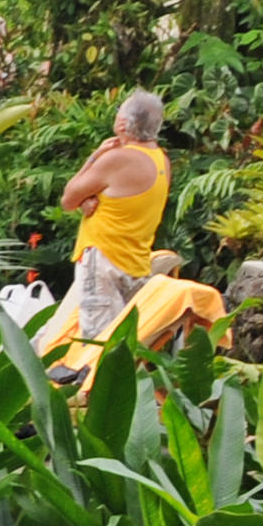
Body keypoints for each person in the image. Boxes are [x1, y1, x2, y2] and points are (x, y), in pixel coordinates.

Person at [51, 91, 172, 343]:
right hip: (135, 262)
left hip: (103, 261)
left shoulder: (117, 159)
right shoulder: (162, 161)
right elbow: (121, 198)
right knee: (123, 342)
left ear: (123, 124)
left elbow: (68, 199)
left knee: (97, 342)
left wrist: (93, 157)